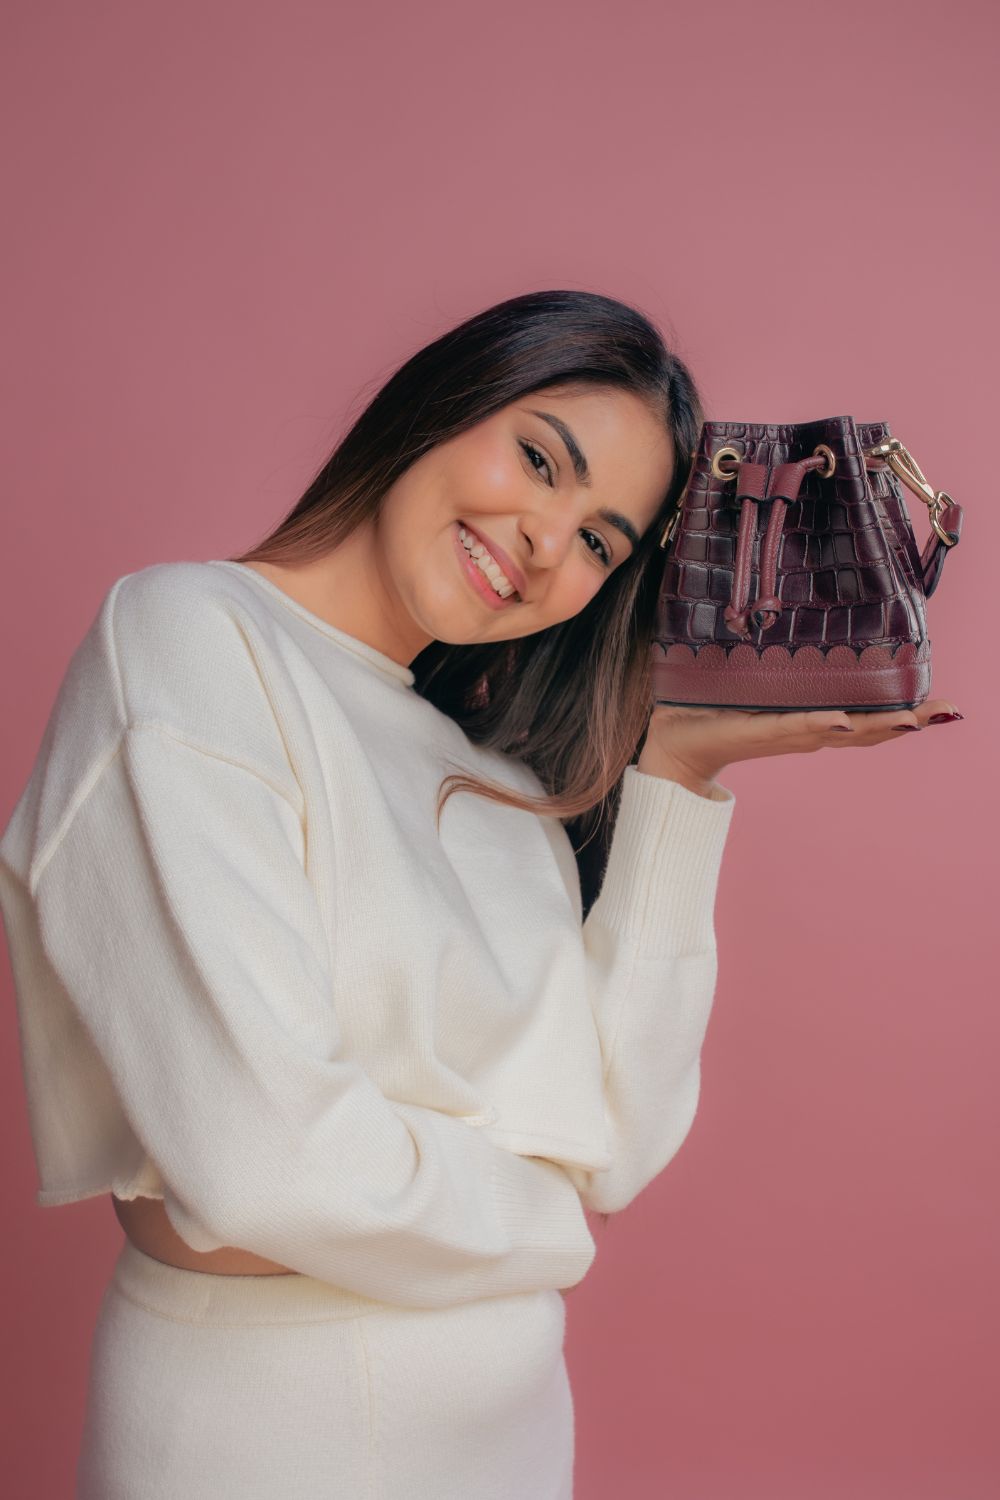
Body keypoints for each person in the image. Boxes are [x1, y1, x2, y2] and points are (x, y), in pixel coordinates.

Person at [0, 288, 960, 1499]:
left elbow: (613, 1144)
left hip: (508, 1438)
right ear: (445, 401)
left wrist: (675, 776)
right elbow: (259, 1162)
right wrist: (539, 1228)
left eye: (605, 539)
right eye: (538, 459)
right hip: (267, 1436)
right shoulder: (193, 640)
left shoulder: (492, 774)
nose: (550, 544)